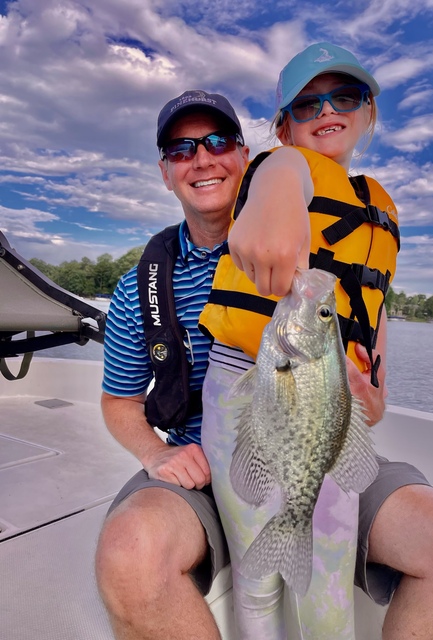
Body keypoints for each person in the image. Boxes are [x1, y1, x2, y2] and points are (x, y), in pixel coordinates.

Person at [198, 42, 433, 639]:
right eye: (307, 104)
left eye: (345, 96)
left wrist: (377, 389)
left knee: (324, 577)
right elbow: (282, 176)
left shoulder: (380, 206)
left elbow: (370, 315)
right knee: (256, 576)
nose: (327, 110)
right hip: (245, 383)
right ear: (284, 126)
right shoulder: (276, 170)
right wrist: (272, 191)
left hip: (327, 397)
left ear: (368, 110)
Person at [95, 90, 249, 640]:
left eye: (218, 141)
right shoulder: (138, 287)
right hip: (200, 474)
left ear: (244, 155)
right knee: (130, 551)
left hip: (302, 464)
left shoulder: (305, 256)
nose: (202, 158)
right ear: (165, 173)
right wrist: (156, 452)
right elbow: (120, 401)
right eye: (182, 149)